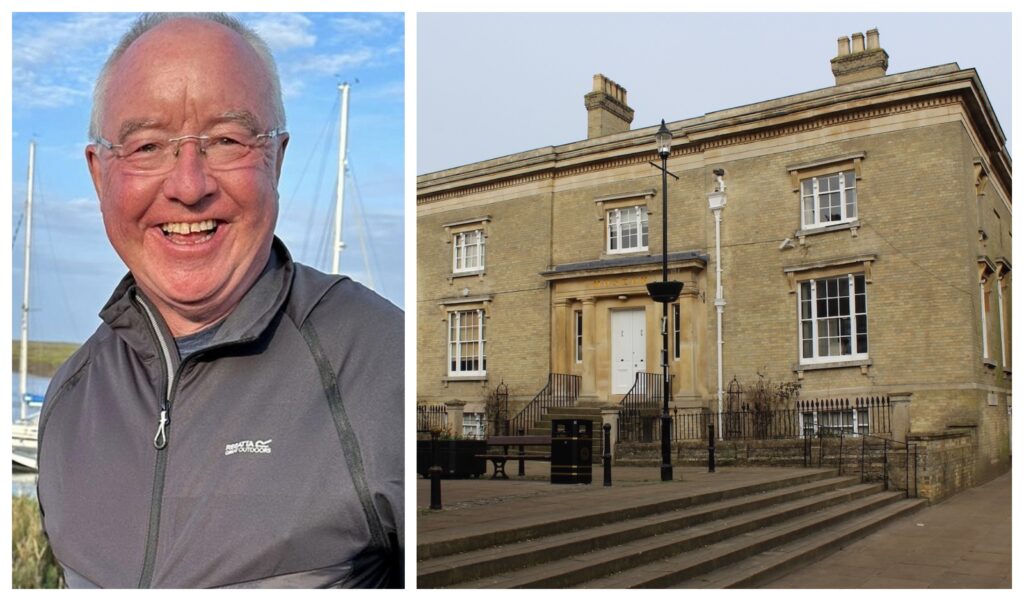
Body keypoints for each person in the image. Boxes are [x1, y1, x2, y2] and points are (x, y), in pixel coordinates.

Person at [35, 13, 403, 588]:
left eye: (227, 140)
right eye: (147, 145)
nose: (188, 185)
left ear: (276, 159)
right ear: (99, 173)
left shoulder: (385, 365)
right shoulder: (69, 397)